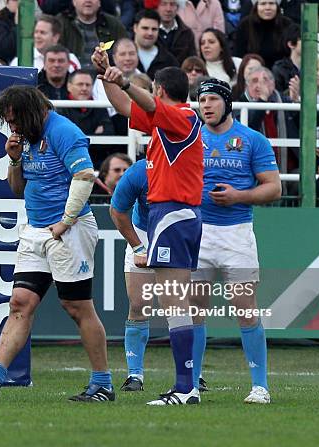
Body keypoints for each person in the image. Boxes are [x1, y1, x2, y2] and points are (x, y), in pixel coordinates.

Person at [0, 85, 115, 403]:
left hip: (70, 229)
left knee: (77, 307)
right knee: (20, 303)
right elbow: (17, 189)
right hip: (36, 229)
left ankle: (103, 383)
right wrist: (13, 160)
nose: (13, 128)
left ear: (32, 112)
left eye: (15, 121)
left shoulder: (65, 132)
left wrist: (65, 221)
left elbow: (84, 176)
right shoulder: (25, 139)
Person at [93, 48, 204, 405]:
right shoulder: (165, 120)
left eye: (152, 89)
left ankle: (186, 387)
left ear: (159, 89)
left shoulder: (182, 116)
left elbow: (148, 105)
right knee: (175, 302)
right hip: (169, 216)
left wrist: (124, 80)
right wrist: (106, 74)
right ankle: (186, 385)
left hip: (173, 213)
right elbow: (126, 109)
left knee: (174, 302)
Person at [191, 78, 281, 404]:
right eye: (202, 101)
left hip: (237, 234)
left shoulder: (252, 140)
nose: (206, 106)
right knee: (194, 310)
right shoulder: (191, 139)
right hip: (198, 233)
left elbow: (273, 187)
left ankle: (260, 386)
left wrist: (238, 196)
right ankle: (191, 382)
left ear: (227, 103)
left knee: (245, 309)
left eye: (213, 99)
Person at [108, 158, 153, 391]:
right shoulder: (140, 170)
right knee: (139, 305)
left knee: (184, 306)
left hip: (179, 231)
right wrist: (138, 247)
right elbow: (116, 210)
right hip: (144, 232)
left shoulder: (190, 163)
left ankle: (192, 373)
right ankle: (135, 375)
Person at [57, 0, 128, 70]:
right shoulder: (61, 23)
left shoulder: (113, 24)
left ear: (99, 2)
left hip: (105, 77)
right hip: (71, 77)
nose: (88, 1)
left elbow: (126, 47)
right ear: (74, 2)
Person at [233, 0, 293, 69]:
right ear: (256, 6)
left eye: (271, 3)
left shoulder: (287, 24)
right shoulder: (245, 25)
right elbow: (238, 55)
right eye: (263, 4)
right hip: (253, 71)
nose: (267, 7)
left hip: (282, 72)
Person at [10, 14, 81, 71]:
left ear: (55, 37)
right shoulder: (19, 62)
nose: (37, 36)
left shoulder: (71, 60)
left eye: (42, 33)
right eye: (36, 32)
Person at [132, 9, 178, 82]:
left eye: (154, 29)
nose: (150, 33)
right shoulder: (119, 55)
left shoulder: (169, 61)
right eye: (145, 28)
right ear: (135, 28)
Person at [155, 0, 197, 65]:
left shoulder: (187, 33)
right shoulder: (149, 32)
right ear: (156, 7)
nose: (168, 9)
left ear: (177, 7)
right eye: (163, 4)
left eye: (172, 4)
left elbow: (193, 62)